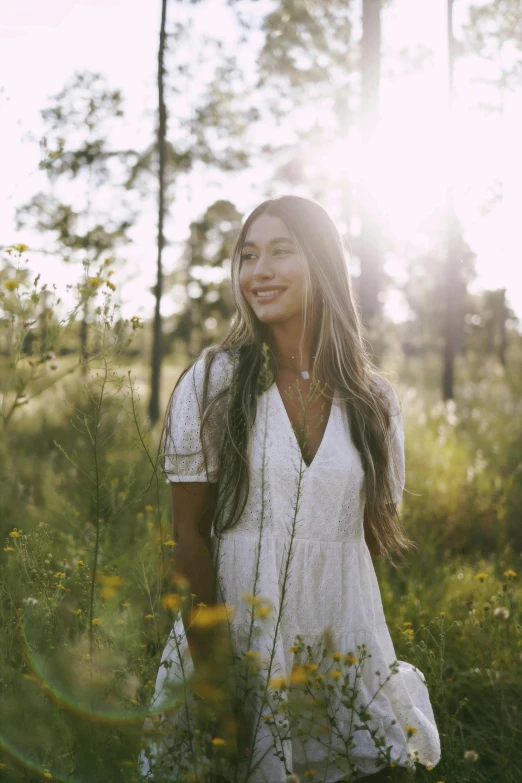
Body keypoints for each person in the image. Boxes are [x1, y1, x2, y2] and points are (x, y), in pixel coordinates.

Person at [139, 195, 441, 782]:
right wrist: (214, 680)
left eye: (281, 251)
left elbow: (366, 539)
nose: (259, 271)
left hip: (344, 648)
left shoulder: (373, 401)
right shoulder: (214, 382)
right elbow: (188, 538)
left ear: (323, 263)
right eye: (248, 256)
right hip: (240, 646)